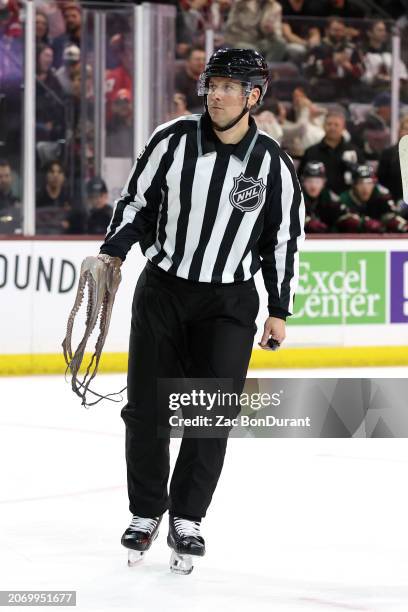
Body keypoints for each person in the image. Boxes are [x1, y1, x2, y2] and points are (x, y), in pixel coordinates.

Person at [97, 48, 305, 574]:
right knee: (146, 409)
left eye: (230, 86)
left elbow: (281, 242)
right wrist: (113, 251)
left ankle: (187, 517)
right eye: (212, 84)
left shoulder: (273, 165)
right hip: (164, 290)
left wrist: (279, 309)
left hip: (229, 303)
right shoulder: (169, 141)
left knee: (211, 414)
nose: (216, 94)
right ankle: (146, 512)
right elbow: (136, 204)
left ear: (253, 96)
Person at [298, 108, 365, 194]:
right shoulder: (311, 152)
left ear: (343, 128)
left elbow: (362, 178)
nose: (332, 128)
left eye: (336, 125)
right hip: (318, 202)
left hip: (347, 201)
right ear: (323, 126)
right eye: (329, 124)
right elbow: (301, 180)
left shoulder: (354, 152)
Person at [337, 164, 408, 233]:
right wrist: (364, 223)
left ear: (374, 184)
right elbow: (342, 222)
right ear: (353, 185)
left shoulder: (382, 195)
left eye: (369, 182)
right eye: (360, 183)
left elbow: (390, 216)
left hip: (380, 238)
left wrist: (400, 224)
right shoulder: (344, 198)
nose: (365, 188)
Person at [301, 160, 344, 232]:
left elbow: (343, 215)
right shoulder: (296, 197)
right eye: (309, 181)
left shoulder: (330, 198)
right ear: (303, 182)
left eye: (317, 182)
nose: (313, 186)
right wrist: (306, 221)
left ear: (324, 182)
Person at [175, 46, 206, 113]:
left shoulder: (208, 79)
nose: (201, 63)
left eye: (204, 59)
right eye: (197, 59)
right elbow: (179, 105)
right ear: (188, 62)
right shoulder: (179, 79)